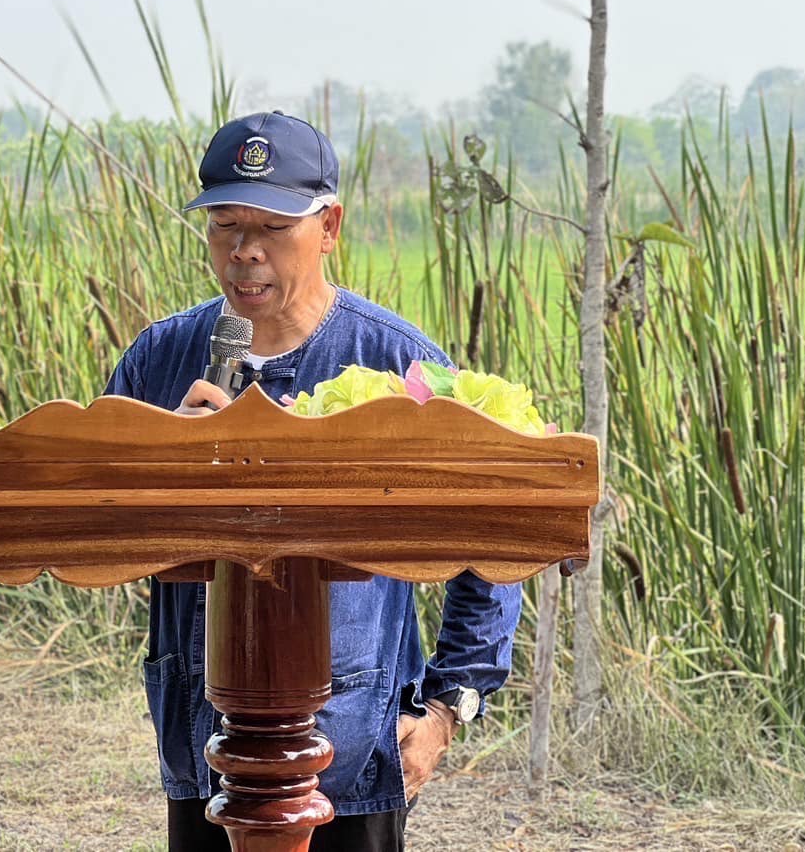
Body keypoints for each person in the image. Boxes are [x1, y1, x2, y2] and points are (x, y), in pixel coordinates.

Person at [104, 111, 522, 852]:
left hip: (354, 750)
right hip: (202, 751)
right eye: (224, 226)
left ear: (328, 227)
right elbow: (104, 531)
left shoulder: (399, 366)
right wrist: (166, 458)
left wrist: (445, 713)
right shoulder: (160, 360)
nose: (244, 254)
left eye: (271, 228)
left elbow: (495, 543)